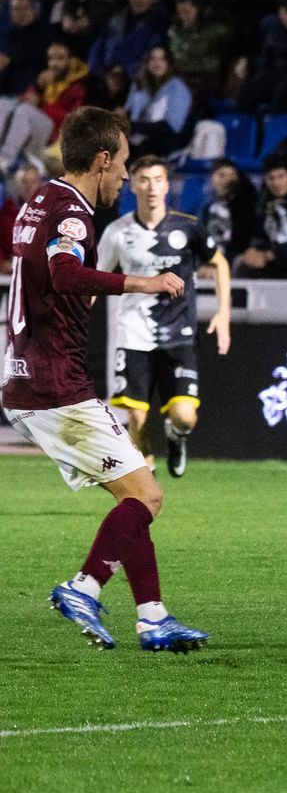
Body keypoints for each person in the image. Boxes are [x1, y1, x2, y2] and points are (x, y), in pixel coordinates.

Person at [2, 107, 208, 652]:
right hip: (53, 381)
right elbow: (66, 273)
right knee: (148, 495)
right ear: (100, 160)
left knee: (132, 491)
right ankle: (84, 587)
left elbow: (52, 275)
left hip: (27, 376)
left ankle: (153, 617)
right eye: (120, 167)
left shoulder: (40, 199)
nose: (123, 178)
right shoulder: (73, 211)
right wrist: (144, 283)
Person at [98, 156, 229, 478]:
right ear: (134, 185)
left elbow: (220, 264)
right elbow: (96, 278)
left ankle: (176, 436)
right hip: (132, 333)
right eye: (144, 179)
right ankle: (147, 470)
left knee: (185, 417)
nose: (151, 187)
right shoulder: (118, 232)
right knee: (136, 419)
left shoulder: (188, 226)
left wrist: (223, 314)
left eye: (158, 179)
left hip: (179, 334)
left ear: (167, 185)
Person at [123, 46, 192, 158]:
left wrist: (133, 127)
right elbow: (128, 112)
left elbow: (172, 127)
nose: (157, 63)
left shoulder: (177, 87)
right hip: (134, 138)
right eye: (153, 59)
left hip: (163, 142)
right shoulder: (139, 84)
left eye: (162, 59)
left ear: (169, 63)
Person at [26, 40, 88, 140]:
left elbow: (70, 119)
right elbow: (26, 100)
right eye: (51, 58)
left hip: (58, 135)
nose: (53, 64)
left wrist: (40, 105)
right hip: (36, 127)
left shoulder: (79, 85)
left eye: (60, 58)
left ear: (70, 61)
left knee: (23, 111)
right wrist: (38, 87)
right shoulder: (46, 78)